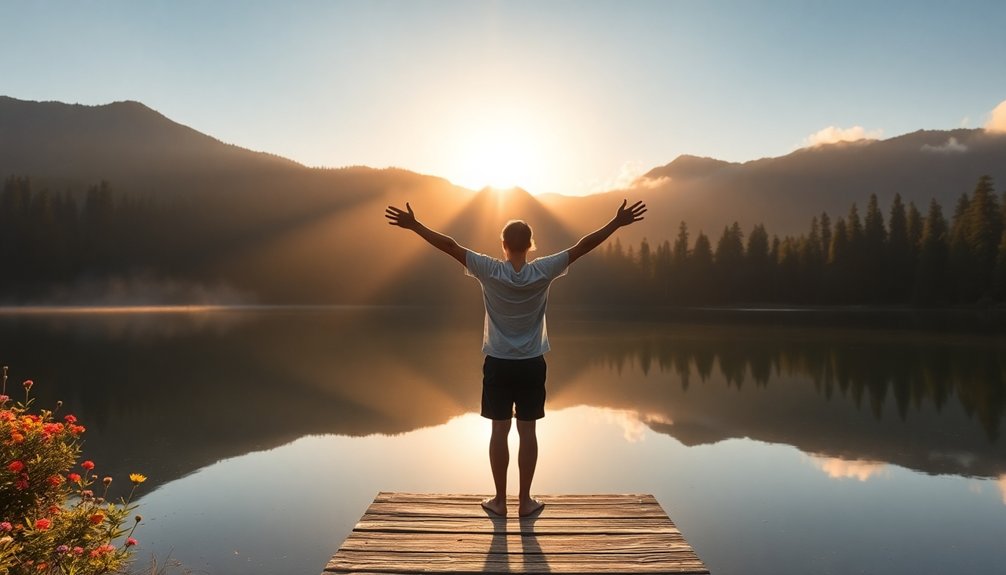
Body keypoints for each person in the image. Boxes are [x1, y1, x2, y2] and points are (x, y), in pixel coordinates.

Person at [385, 199, 647, 516]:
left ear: (504, 244)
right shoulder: (543, 270)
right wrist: (615, 223)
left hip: (497, 362)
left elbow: (450, 246)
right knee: (528, 432)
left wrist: (415, 226)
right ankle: (524, 502)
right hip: (532, 363)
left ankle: (499, 501)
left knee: (499, 431)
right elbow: (583, 246)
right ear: (530, 244)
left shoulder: (489, 269)